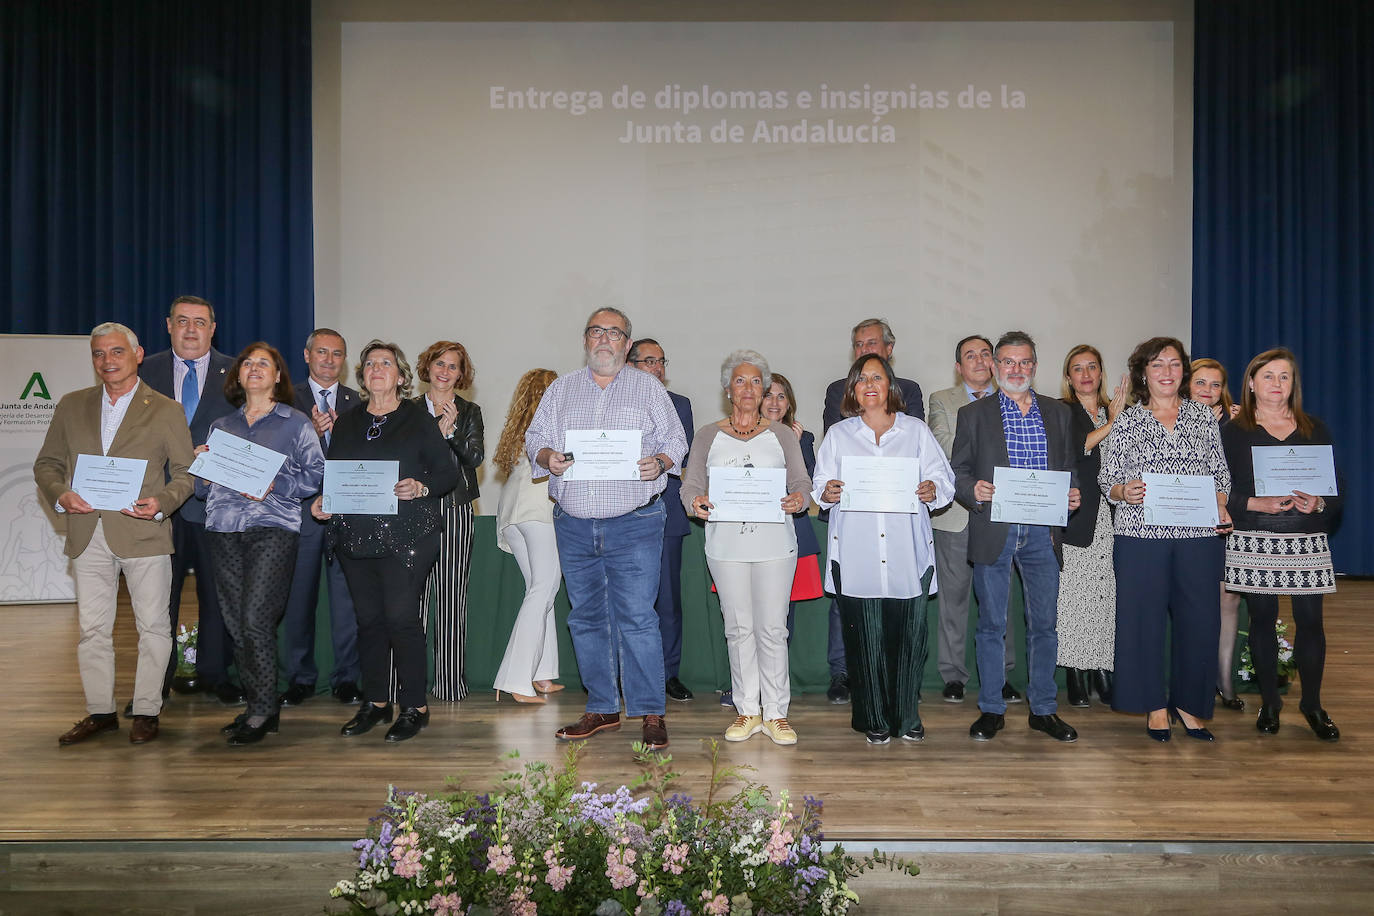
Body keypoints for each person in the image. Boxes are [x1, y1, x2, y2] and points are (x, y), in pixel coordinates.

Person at [525, 307, 688, 750]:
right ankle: (601, 706)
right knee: (586, 618)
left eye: (614, 333)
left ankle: (650, 710)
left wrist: (662, 462)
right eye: (597, 331)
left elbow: (676, 440)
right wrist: (546, 457)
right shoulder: (561, 389)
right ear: (585, 339)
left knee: (638, 618)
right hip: (575, 524)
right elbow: (534, 436)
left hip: (635, 522)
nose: (604, 339)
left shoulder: (648, 388)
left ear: (627, 345)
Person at [34, 322, 195, 745]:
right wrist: (61, 494)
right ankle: (100, 712)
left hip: (143, 532)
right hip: (88, 532)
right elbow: (46, 465)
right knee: (92, 629)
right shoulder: (71, 405)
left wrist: (162, 502)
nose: (107, 361)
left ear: (137, 355)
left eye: (116, 352)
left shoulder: (165, 409)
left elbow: (184, 474)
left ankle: (146, 709)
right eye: (99, 353)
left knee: (154, 628)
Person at [311, 341, 458, 743]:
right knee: (369, 622)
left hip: (407, 536)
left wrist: (421, 486)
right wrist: (325, 501)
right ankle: (376, 702)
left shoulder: (418, 420)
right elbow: (336, 476)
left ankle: (415, 705)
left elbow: (448, 475)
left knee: (400, 620)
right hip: (354, 538)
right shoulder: (346, 422)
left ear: (401, 375)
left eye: (386, 363)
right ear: (362, 375)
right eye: (370, 363)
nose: (377, 368)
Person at [812, 353, 953, 744]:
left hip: (907, 554)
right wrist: (826, 490)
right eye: (862, 379)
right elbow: (820, 483)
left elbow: (943, 479)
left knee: (909, 640)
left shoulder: (916, 432)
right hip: (857, 556)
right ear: (853, 391)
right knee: (865, 641)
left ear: (890, 386)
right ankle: (873, 718)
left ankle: (907, 716)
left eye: (877, 377)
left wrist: (932, 490)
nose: (870, 384)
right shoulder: (839, 435)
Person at [951, 330, 1082, 743]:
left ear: (1035, 367)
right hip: (995, 529)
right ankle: (992, 708)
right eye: (1008, 362)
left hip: (1044, 534)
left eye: (1025, 362)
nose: (1016, 369)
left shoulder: (1058, 413)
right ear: (994, 366)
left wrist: (1072, 492)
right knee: (992, 625)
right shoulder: (974, 415)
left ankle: (1043, 709)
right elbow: (958, 471)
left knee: (1044, 625)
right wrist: (972, 490)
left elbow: (1068, 466)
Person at [1100, 336, 1232, 742]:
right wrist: (1125, 492)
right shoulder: (1127, 420)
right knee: (1143, 622)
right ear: (1144, 373)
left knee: (1200, 621)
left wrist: (1221, 506)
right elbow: (1109, 481)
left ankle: (1191, 707)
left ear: (1184, 372)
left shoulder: (1204, 417)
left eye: (1175, 365)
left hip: (1198, 536)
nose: (1167, 373)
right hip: (1141, 536)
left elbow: (1221, 476)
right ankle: (1155, 707)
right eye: (1158, 365)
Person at [196, 344, 324, 745]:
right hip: (222, 528)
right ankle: (255, 705)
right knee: (236, 622)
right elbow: (201, 491)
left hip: (271, 526)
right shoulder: (221, 426)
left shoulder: (295, 422)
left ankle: (265, 710)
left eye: (263, 364)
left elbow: (317, 475)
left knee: (255, 618)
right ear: (237, 377)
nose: (253, 369)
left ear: (278, 376)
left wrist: (276, 484)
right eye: (247, 364)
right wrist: (201, 464)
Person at [682, 351, 812, 746]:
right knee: (738, 629)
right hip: (725, 545)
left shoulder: (783, 434)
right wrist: (695, 502)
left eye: (757, 381)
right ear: (728, 390)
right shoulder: (707, 434)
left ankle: (776, 714)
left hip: (776, 544)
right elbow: (690, 485)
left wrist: (798, 500)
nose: (749, 388)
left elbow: (803, 485)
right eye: (741, 380)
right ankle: (747, 710)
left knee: (772, 628)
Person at [1222, 348, 1342, 740]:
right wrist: (1252, 503)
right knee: (1261, 622)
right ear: (1252, 384)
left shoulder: (1315, 429)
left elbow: (1336, 492)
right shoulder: (1233, 432)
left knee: (1311, 623)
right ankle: (1270, 702)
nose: (1277, 384)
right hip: (1254, 537)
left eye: (1284, 376)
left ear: (1294, 385)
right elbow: (1219, 491)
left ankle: (1312, 703)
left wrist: (1320, 502)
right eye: (1268, 376)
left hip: (1305, 538)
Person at [139, 295, 241, 705]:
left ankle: (216, 673)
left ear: (212, 328)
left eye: (200, 322)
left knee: (218, 594)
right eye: (182, 321)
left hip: (215, 501)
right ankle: (153, 685)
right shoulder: (143, 370)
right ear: (168, 325)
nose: (191, 329)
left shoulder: (237, 371)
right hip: (156, 503)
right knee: (157, 598)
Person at [819, 318, 925, 704]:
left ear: (890, 351)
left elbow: (920, 462)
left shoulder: (911, 412)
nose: (866, 351)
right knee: (850, 606)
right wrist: (831, 489)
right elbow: (828, 469)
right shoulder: (838, 412)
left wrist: (923, 486)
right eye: (859, 346)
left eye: (873, 345)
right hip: (856, 520)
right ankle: (847, 678)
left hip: (898, 520)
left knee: (899, 609)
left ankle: (899, 690)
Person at [926, 335, 1016, 705]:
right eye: (970, 356)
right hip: (956, 516)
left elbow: (1018, 451)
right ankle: (953, 675)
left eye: (985, 354)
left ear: (995, 363)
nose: (978, 361)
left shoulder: (1014, 399)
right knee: (954, 599)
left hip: (1003, 514)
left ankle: (1002, 675)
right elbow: (944, 448)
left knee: (1001, 601)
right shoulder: (942, 400)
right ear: (959, 367)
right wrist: (990, 451)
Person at [281, 329, 363, 707]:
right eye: (322, 352)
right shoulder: (285, 399)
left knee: (347, 603)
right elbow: (273, 457)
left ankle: (347, 678)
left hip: (347, 515)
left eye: (337, 354)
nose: (329, 360)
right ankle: (299, 678)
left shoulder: (358, 402)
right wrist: (309, 433)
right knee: (299, 600)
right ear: (306, 354)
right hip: (300, 514)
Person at [1056, 345, 1127, 707]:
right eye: (1077, 368)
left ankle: (1102, 667)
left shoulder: (1119, 411)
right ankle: (1074, 673)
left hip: (1117, 516)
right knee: (1073, 597)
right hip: (1078, 514)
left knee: (1106, 595)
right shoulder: (1062, 410)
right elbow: (1073, 448)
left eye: (1092, 367)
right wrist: (1111, 424)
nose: (1086, 374)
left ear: (1101, 373)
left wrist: (1116, 419)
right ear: (1068, 377)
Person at [414, 340, 484, 701]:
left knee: (453, 595)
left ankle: (449, 683)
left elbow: (474, 458)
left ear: (461, 374)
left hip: (455, 508)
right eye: (439, 363)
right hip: (413, 509)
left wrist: (452, 432)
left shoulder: (470, 411)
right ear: (427, 367)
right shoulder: (408, 410)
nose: (444, 371)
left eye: (453, 366)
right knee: (413, 599)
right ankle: (407, 684)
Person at [628, 338, 696, 703]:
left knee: (667, 600)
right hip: (619, 509)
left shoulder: (679, 404)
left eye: (660, 361)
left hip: (665, 508)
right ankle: (628, 675)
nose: (656, 367)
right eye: (648, 360)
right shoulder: (613, 399)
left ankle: (669, 674)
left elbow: (677, 451)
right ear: (630, 365)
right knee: (627, 601)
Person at [491, 369, 563, 703]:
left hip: (512, 513)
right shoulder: (553, 425)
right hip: (538, 512)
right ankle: (516, 679)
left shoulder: (520, 428)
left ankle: (542, 673)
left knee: (539, 588)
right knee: (544, 588)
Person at [1188, 357, 1244, 712]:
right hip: (1186, 522)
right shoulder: (1172, 417)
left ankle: (1225, 678)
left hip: (1228, 520)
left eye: (1215, 385)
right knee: (1197, 603)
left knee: (1229, 601)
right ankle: (1199, 679)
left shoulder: (1237, 425)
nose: (1208, 391)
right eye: (1200, 383)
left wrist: (1241, 428)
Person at [761, 373, 824, 637]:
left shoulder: (804, 438)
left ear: (789, 403)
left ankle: (779, 678)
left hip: (790, 534)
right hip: (748, 534)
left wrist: (793, 447)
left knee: (783, 619)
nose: (774, 402)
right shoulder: (738, 434)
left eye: (781, 396)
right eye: (768, 395)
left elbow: (809, 488)